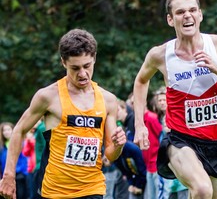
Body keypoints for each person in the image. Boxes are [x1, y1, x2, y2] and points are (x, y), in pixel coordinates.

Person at [133, 0, 217, 199]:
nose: (187, 15)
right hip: (180, 140)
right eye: (180, 12)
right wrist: (139, 124)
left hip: (216, 143)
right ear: (171, 20)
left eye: (192, 10)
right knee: (202, 189)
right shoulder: (160, 55)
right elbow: (141, 80)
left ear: (200, 14)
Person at [0, 28, 126, 199]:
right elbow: (20, 130)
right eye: (75, 68)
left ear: (94, 58)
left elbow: (110, 153)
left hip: (92, 188)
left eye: (87, 66)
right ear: (63, 62)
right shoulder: (48, 96)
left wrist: (118, 145)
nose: (83, 74)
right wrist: (8, 175)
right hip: (54, 191)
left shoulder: (108, 100)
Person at [0, 122, 28, 199]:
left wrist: (21, 171)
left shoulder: (21, 143)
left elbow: (25, 158)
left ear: (13, 130)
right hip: (6, 176)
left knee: (20, 195)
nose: (6, 132)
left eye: (8, 129)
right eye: (4, 130)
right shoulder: (1, 146)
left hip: (19, 175)